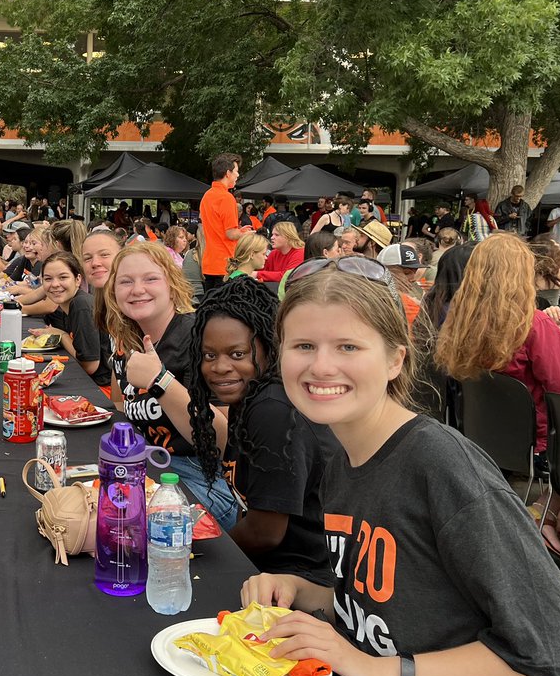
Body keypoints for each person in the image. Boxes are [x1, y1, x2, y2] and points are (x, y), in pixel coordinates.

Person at [241, 260, 560, 676]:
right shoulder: (342, 457)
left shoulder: (444, 467)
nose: (320, 366)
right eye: (303, 346)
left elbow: (543, 651)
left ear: (396, 359)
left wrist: (375, 670)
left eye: (348, 347)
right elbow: (393, 601)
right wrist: (306, 591)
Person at [436, 235, 560, 573]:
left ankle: (549, 523)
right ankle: (543, 519)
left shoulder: (459, 320)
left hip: (486, 435)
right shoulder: (533, 323)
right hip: (540, 440)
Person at [187, 278, 334, 580]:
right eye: (209, 355)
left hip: (300, 581)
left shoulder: (274, 411)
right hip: (269, 567)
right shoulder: (251, 399)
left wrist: (204, 558)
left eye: (237, 354)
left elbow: (266, 532)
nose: (219, 367)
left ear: (268, 349)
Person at [106, 242, 238, 530]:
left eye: (150, 278)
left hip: (203, 480)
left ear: (172, 284)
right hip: (150, 469)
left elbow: (222, 439)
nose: (137, 289)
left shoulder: (199, 337)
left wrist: (160, 381)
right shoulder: (132, 340)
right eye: (125, 281)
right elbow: (122, 404)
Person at [31, 251, 112, 391]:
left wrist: (62, 335)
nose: (55, 284)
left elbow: (90, 366)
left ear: (77, 279)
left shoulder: (81, 305)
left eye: (63, 277)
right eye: (48, 279)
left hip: (102, 389)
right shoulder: (68, 305)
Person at [199, 153, 252, 289]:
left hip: (209, 263)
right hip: (224, 265)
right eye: (236, 171)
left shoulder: (207, 196)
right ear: (228, 173)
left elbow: (217, 229)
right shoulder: (227, 198)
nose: (237, 175)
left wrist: (238, 231)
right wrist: (245, 235)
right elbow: (230, 234)